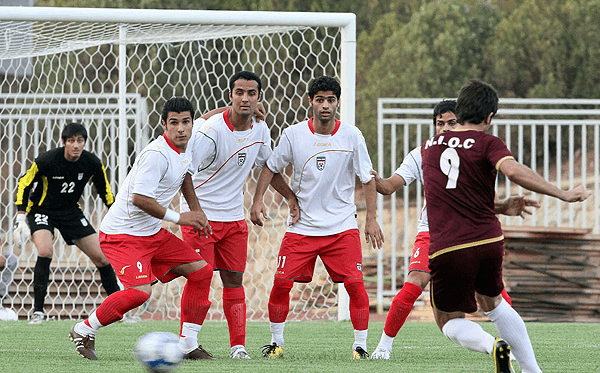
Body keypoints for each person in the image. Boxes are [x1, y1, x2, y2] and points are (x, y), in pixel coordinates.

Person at [421, 79, 591, 373]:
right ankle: (532, 370)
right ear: (489, 117)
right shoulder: (489, 143)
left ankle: (493, 346)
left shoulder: (429, 147)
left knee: (448, 322)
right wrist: (562, 193)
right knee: (495, 302)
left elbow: (449, 194)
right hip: (488, 241)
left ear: (458, 111)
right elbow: (512, 171)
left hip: (449, 246)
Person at [370, 99, 540, 360]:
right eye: (440, 124)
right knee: (415, 283)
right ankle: (384, 345)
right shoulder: (423, 152)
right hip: (433, 232)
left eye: (452, 122)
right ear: (434, 126)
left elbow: (478, 198)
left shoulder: (472, 150)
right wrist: (373, 179)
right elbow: (390, 186)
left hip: (469, 231)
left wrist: (503, 206)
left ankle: (509, 348)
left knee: (494, 294)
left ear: (461, 122)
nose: (446, 128)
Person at [69, 97, 215, 361]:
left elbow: (187, 172)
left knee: (202, 273)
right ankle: (84, 329)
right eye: (174, 123)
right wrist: (181, 218)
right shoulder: (156, 155)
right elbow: (140, 199)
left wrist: (197, 210)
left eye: (186, 122)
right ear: (164, 125)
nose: (181, 128)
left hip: (151, 233)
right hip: (122, 235)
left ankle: (187, 344)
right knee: (140, 292)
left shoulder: (189, 142)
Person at [250, 76, 384, 359]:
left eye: (331, 100)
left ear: (337, 102)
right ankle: (276, 343)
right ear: (310, 101)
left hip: (342, 226)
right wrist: (262, 198)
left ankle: (360, 346)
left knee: (355, 286)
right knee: (281, 284)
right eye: (320, 100)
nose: (325, 105)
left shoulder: (352, 135)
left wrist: (371, 218)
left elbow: (367, 178)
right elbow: (271, 168)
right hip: (302, 227)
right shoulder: (293, 134)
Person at [181, 71, 297, 359]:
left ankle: (238, 347)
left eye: (251, 93)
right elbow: (184, 173)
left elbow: (268, 167)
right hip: (200, 217)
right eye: (239, 93)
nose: (245, 98)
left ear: (259, 97)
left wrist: (289, 197)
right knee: (201, 277)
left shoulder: (260, 130)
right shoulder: (209, 132)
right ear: (230, 95)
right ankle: (188, 344)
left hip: (233, 218)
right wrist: (195, 211)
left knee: (234, 280)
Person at [14, 122, 120, 324]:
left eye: (80, 141)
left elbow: (104, 191)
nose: (76, 145)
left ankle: (119, 311)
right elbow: (24, 183)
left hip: (71, 212)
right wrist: (21, 216)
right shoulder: (47, 160)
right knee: (45, 251)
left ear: (84, 143)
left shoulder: (92, 163)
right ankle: (38, 312)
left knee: (102, 258)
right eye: (71, 141)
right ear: (64, 142)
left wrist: (116, 213)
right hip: (41, 210)